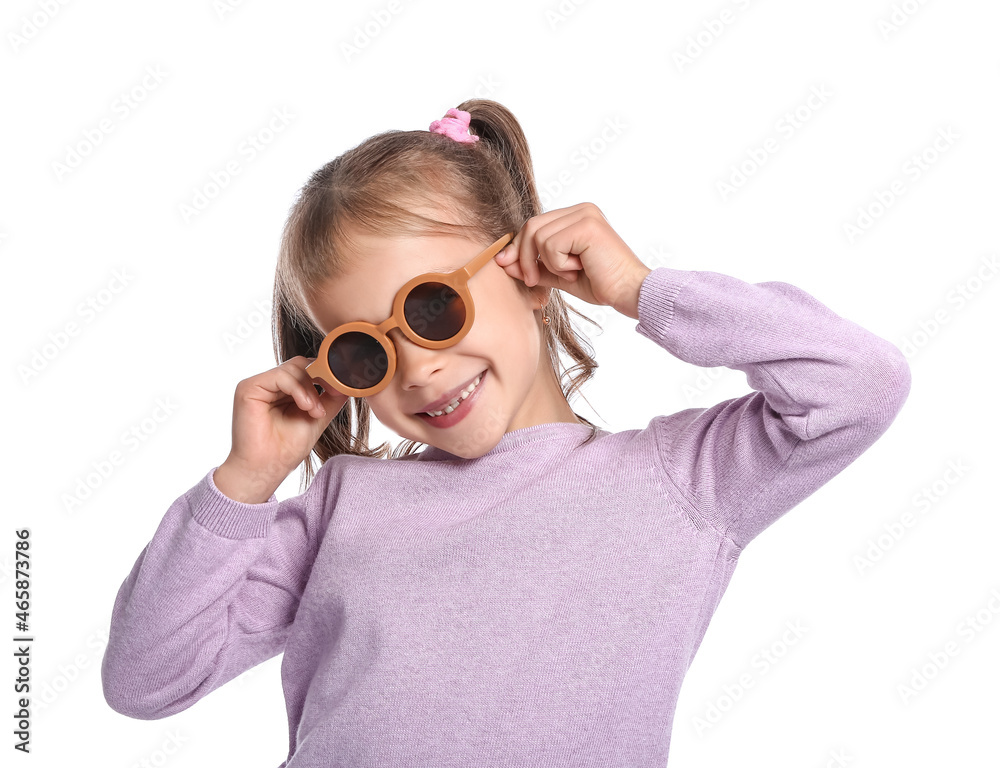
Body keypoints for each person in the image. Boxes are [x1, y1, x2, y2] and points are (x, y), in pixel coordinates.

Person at [101, 100, 911, 767]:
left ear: (526, 268)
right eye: (365, 350)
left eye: (430, 308)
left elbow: (858, 386)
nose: (417, 369)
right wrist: (243, 483)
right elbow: (146, 680)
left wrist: (640, 290)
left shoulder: (682, 482)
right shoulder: (342, 507)